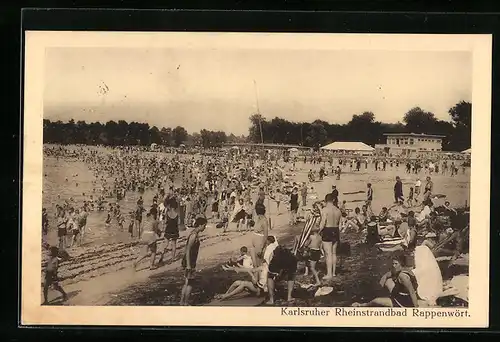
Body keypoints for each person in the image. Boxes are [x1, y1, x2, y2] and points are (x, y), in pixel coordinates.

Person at [352, 253, 419, 307]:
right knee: (388, 281)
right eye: (393, 263)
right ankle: (380, 294)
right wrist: (379, 288)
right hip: (402, 293)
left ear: (401, 264)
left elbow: (412, 292)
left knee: (376, 301)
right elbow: (386, 275)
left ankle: (362, 305)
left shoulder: (403, 276)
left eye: (396, 264)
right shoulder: (404, 269)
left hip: (405, 301)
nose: (393, 266)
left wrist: (416, 308)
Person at [180, 216, 207, 306]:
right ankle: (186, 302)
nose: (204, 228)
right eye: (204, 226)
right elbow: (187, 249)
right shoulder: (194, 235)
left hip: (190, 261)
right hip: (190, 261)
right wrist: (188, 265)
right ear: (200, 225)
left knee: (187, 282)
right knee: (190, 283)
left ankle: (182, 302)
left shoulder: (194, 234)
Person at [318, 193, 341, 280]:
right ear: (333, 200)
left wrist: (319, 231)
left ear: (325, 200)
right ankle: (334, 273)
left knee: (328, 254)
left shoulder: (325, 210)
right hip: (336, 230)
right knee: (334, 253)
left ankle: (329, 274)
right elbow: (340, 225)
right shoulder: (338, 210)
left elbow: (323, 223)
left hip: (327, 230)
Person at [159, 199, 180, 264]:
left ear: (170, 206)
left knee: (165, 244)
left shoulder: (167, 213)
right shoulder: (177, 214)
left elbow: (165, 222)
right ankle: (173, 258)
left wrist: (162, 229)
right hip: (175, 231)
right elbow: (178, 223)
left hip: (168, 230)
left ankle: (161, 257)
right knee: (173, 244)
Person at [250, 203, 269, 267]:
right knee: (255, 263)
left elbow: (266, 235)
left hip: (259, 242)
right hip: (255, 241)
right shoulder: (258, 218)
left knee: (259, 263)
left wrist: (261, 247)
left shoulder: (264, 221)